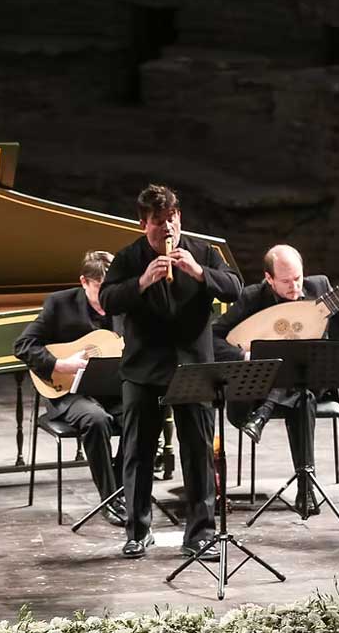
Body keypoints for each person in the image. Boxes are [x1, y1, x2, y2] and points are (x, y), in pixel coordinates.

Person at [99, 184, 243, 559]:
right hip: (144, 369)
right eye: (159, 221)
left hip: (193, 367)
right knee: (138, 452)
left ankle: (199, 533)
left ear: (180, 217)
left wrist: (199, 273)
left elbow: (235, 288)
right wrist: (142, 281)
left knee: (197, 451)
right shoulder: (129, 257)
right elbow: (107, 299)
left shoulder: (203, 252)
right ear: (143, 223)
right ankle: (138, 530)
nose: (168, 228)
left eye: (172, 219)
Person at [212, 244, 339, 514]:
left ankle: (266, 416)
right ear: (269, 278)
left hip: (313, 379)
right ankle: (306, 489)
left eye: (297, 278)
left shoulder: (319, 288)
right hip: (265, 388)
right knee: (302, 398)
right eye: (285, 281)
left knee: (303, 384)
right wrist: (244, 355)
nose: (294, 286)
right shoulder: (252, 298)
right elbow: (214, 337)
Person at [14, 250, 125, 524]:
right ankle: (110, 499)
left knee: (145, 413)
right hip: (69, 392)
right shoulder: (60, 304)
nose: (107, 295)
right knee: (96, 420)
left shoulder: (124, 306)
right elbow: (23, 345)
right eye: (100, 287)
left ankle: (122, 486)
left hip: (111, 390)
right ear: (84, 281)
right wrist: (60, 364)